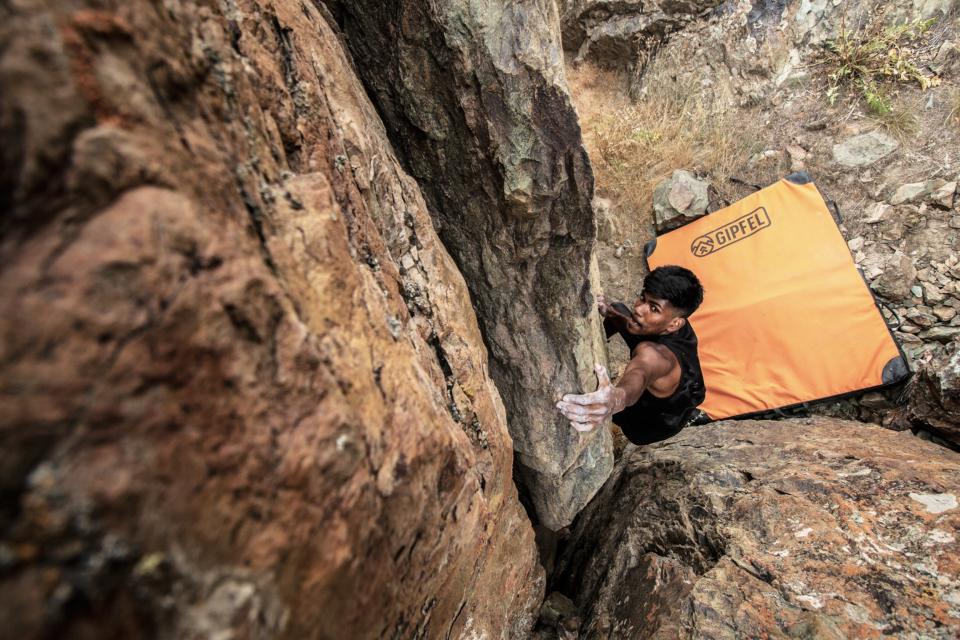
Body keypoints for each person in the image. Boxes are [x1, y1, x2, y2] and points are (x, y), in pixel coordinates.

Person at [556, 265, 706, 445]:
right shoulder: (675, 326)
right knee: (617, 310)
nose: (639, 309)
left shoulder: (654, 356)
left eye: (654, 308)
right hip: (678, 393)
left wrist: (615, 398)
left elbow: (639, 374)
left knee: (626, 324)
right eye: (643, 298)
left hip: (648, 424)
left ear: (674, 324)